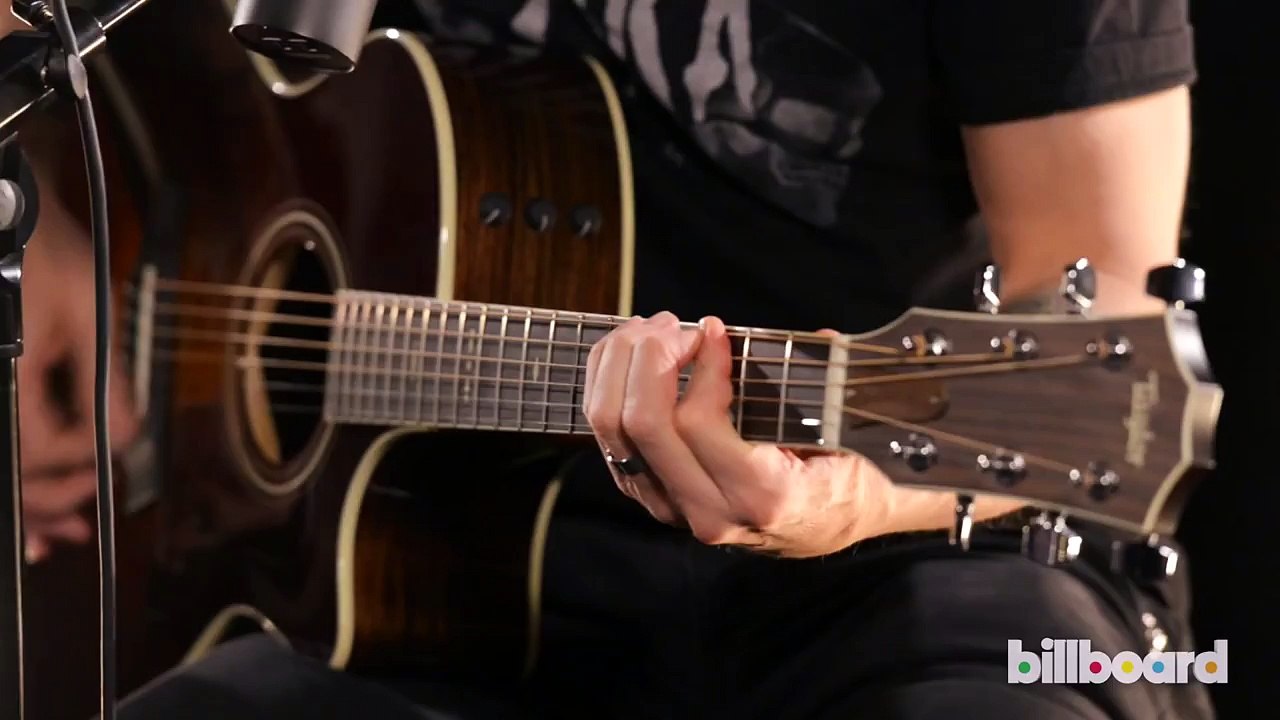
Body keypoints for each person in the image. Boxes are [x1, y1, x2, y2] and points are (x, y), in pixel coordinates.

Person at [19, 1, 1216, 718]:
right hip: (441, 579)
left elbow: (1099, 322)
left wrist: (850, 497)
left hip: (915, 556)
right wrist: (53, 227)